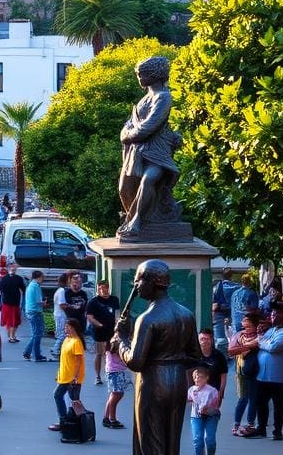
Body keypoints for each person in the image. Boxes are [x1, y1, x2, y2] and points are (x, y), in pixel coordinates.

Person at [114, 259, 202, 455]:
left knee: (152, 443)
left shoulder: (147, 318)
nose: (136, 287)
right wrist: (173, 359)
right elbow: (195, 355)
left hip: (153, 383)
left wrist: (121, 341)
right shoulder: (186, 314)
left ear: (152, 282)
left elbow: (135, 362)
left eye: (138, 281)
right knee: (171, 443)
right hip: (178, 382)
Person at [117, 56, 185, 237]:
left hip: (157, 152)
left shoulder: (163, 97)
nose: (140, 76)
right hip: (137, 154)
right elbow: (129, 124)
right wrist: (126, 134)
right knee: (124, 189)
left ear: (156, 74)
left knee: (149, 179)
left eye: (143, 73)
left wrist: (129, 136)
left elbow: (148, 126)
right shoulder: (145, 99)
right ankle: (134, 218)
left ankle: (138, 220)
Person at [244, 302, 283, 440]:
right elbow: (262, 341)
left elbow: (274, 347)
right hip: (263, 375)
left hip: (277, 376)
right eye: (272, 313)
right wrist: (262, 341)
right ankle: (261, 428)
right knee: (260, 402)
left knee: (278, 404)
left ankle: (277, 431)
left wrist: (261, 342)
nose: (273, 316)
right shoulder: (272, 331)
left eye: (276, 313)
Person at [49, 318, 86, 432]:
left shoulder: (76, 342)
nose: (66, 329)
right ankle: (78, 423)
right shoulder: (66, 340)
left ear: (74, 328)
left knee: (60, 396)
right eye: (65, 327)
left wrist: (75, 377)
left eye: (68, 327)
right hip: (65, 375)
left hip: (72, 377)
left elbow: (79, 361)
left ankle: (65, 421)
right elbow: (63, 359)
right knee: (74, 400)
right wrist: (59, 373)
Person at [228, 312, 260, 437]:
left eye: (248, 322)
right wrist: (248, 347)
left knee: (253, 399)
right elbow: (231, 351)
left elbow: (260, 343)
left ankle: (250, 424)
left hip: (256, 371)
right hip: (241, 370)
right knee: (243, 398)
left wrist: (243, 347)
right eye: (244, 321)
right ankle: (236, 424)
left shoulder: (260, 336)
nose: (245, 324)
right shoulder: (239, 335)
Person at [86, 280, 120, 384]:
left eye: (104, 287)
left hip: (112, 331)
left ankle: (110, 374)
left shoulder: (114, 299)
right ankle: (98, 376)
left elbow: (117, 313)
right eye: (99, 288)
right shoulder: (93, 302)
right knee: (99, 353)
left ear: (108, 288)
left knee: (111, 353)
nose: (102, 290)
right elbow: (89, 317)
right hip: (99, 332)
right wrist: (99, 325)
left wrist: (117, 325)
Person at [187, 366, 221, 455]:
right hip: (196, 417)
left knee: (210, 440)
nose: (198, 379)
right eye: (195, 377)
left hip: (211, 417)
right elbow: (189, 401)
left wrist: (206, 408)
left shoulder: (212, 391)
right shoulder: (191, 390)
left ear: (207, 378)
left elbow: (215, 406)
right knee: (198, 440)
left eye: (200, 377)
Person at [195, 328, 228, 406]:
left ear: (212, 340)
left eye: (207, 339)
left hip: (214, 393)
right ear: (198, 340)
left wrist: (221, 391)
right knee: (197, 417)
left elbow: (223, 376)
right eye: (202, 339)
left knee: (212, 417)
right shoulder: (194, 356)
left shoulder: (219, 356)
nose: (204, 341)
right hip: (198, 395)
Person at [22, 269, 49, 362]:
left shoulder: (30, 285)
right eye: (42, 277)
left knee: (35, 333)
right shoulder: (36, 286)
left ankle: (28, 352)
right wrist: (44, 303)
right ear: (39, 277)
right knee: (38, 334)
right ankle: (36, 354)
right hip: (35, 311)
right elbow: (38, 301)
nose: (43, 279)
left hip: (30, 311)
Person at [211, 269, 239, 354]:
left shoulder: (217, 286)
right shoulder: (237, 287)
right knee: (233, 334)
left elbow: (213, 300)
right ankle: (233, 351)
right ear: (231, 276)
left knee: (219, 337)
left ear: (222, 275)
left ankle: (221, 354)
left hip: (219, 311)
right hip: (232, 312)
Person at [0, 264, 25, 343]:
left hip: (6, 302)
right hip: (15, 302)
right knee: (14, 321)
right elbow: (23, 289)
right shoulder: (19, 279)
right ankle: (12, 336)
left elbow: (0, 289)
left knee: (9, 321)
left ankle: (9, 335)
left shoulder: (4, 279)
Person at [103, 343, 128, 429]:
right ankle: (112, 419)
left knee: (114, 394)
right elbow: (121, 352)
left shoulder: (116, 339)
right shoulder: (115, 340)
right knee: (117, 394)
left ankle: (106, 417)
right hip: (115, 371)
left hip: (116, 370)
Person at [51, 272, 70, 358]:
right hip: (60, 315)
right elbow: (62, 304)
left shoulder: (59, 290)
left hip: (58, 314)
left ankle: (57, 348)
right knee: (62, 334)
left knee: (61, 333)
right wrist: (71, 307)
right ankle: (56, 349)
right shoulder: (62, 291)